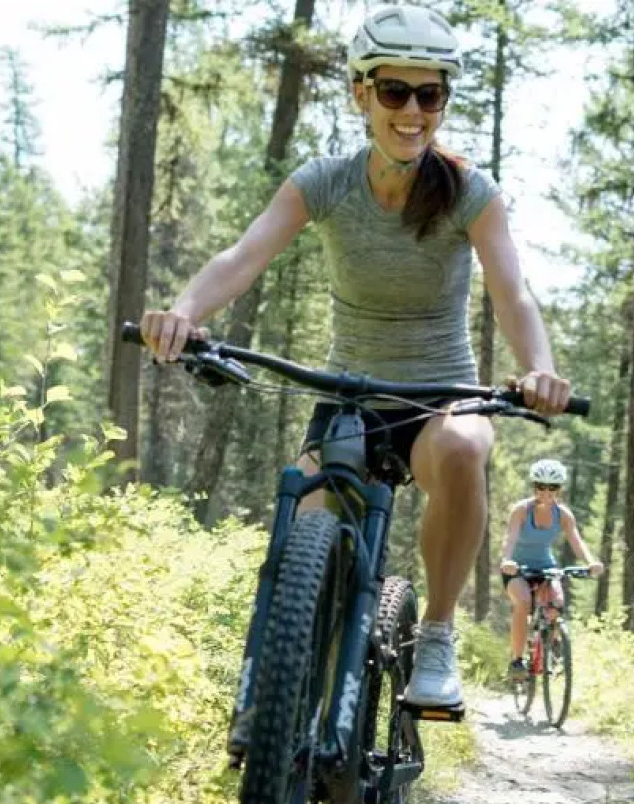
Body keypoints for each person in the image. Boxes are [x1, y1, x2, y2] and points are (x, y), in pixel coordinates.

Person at [137, 4, 571, 710]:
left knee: (465, 447)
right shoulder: (325, 181)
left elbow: (511, 292)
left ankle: (435, 634)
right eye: (394, 92)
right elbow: (242, 257)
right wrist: (183, 314)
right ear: (360, 94)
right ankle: (279, 698)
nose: (412, 110)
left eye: (428, 94)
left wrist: (539, 366)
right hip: (347, 399)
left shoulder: (469, 192)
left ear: (443, 101)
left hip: (439, 400)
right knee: (301, 527)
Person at [497, 459, 602, 680]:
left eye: (552, 487)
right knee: (523, 601)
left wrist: (591, 562)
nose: (546, 492)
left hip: (546, 566)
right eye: (540, 486)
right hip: (517, 568)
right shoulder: (521, 511)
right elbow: (510, 537)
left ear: (559, 489)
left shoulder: (563, 515)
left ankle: (549, 648)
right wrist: (507, 560)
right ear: (534, 486)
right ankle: (517, 660)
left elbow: (577, 542)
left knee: (557, 603)